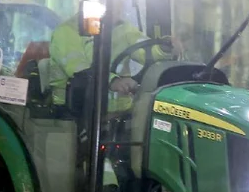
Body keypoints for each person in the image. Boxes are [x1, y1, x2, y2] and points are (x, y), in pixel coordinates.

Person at [47, 11, 182, 114]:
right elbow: (78, 69)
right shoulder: (67, 32)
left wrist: (165, 47)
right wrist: (113, 81)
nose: (117, 4)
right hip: (77, 113)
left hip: (121, 114)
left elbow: (145, 49)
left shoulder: (123, 28)